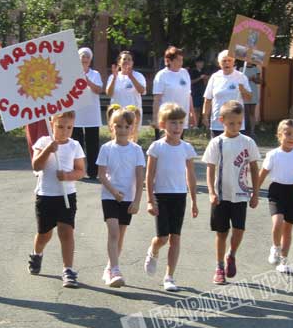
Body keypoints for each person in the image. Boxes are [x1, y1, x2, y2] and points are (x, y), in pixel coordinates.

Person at [202, 100, 260, 284]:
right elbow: (210, 168)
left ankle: (231, 254)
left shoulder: (248, 142)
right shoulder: (217, 143)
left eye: (239, 123)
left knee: (239, 229)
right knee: (221, 232)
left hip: (241, 194)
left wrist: (256, 193)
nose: (236, 127)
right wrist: (211, 192)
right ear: (222, 121)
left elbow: (254, 168)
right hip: (221, 195)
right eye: (231, 123)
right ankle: (219, 267)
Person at [144, 103, 199, 291]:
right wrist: (150, 200)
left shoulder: (187, 148)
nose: (177, 127)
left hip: (179, 196)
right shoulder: (156, 147)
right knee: (162, 237)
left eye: (180, 123)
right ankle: (153, 250)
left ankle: (169, 276)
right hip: (161, 195)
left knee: (175, 237)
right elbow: (149, 175)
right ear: (163, 124)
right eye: (173, 123)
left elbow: (191, 176)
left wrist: (193, 200)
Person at [28, 110, 86, 288]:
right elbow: (36, 165)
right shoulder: (44, 142)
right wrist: (48, 150)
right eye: (60, 126)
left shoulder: (74, 145)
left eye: (69, 127)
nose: (65, 131)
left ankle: (68, 269)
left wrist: (68, 176)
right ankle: (37, 254)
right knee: (45, 234)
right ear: (52, 123)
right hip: (46, 195)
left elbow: (80, 170)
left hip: (67, 195)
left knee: (66, 231)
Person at [96, 106, 145, 288]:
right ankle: (116, 269)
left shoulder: (137, 150)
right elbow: (101, 175)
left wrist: (137, 200)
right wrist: (114, 191)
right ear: (112, 126)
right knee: (113, 231)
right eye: (119, 126)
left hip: (129, 198)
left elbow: (140, 178)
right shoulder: (106, 148)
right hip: (109, 196)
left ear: (132, 128)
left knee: (121, 235)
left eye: (126, 126)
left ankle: (109, 267)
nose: (123, 130)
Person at [259, 119, 293, 273]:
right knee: (278, 222)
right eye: (288, 134)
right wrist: (254, 190)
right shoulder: (273, 154)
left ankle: (284, 261)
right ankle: (275, 247)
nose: (292, 138)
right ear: (279, 135)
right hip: (277, 191)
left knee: (287, 229)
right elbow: (263, 173)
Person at [202, 50, 252, 138]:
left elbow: (249, 98)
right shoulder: (215, 77)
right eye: (224, 61)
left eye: (229, 60)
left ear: (233, 62)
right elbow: (208, 99)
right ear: (219, 63)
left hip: (236, 123)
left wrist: (243, 90)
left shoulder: (241, 77)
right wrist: (205, 116)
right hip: (218, 122)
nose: (227, 63)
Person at [71, 47, 103, 179]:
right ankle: (78, 170)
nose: (84, 59)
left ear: (90, 60)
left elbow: (98, 89)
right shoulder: (72, 73)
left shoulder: (95, 74)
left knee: (92, 144)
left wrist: (87, 80)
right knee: (76, 143)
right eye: (82, 57)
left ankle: (93, 172)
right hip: (76, 113)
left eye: (87, 57)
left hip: (91, 114)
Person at [152, 46, 196, 140]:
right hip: (166, 119)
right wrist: (155, 118)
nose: (181, 63)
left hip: (181, 118)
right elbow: (157, 99)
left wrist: (192, 113)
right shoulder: (161, 75)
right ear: (169, 60)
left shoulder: (185, 73)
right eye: (178, 60)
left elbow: (188, 95)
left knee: (178, 147)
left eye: (182, 60)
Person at [106, 50, 147, 138]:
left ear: (132, 63)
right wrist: (114, 78)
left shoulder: (138, 76)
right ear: (119, 62)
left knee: (132, 139)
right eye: (124, 59)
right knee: (116, 138)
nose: (127, 61)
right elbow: (109, 93)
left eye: (129, 59)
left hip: (133, 113)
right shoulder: (113, 76)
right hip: (117, 113)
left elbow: (142, 91)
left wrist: (131, 77)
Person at [242, 59, 262, 137]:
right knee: (243, 112)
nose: (249, 61)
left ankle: (252, 131)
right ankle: (243, 130)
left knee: (252, 112)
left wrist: (254, 79)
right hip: (244, 92)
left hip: (253, 92)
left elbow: (260, 81)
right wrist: (247, 79)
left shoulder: (256, 69)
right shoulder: (241, 69)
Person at [189, 57, 209, 128]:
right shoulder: (192, 71)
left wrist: (205, 79)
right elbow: (191, 82)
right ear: (196, 63)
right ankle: (194, 125)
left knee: (201, 109)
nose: (201, 64)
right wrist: (200, 78)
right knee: (195, 109)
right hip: (195, 92)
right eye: (200, 62)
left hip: (202, 92)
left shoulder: (204, 71)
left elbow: (206, 83)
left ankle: (200, 125)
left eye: (202, 63)